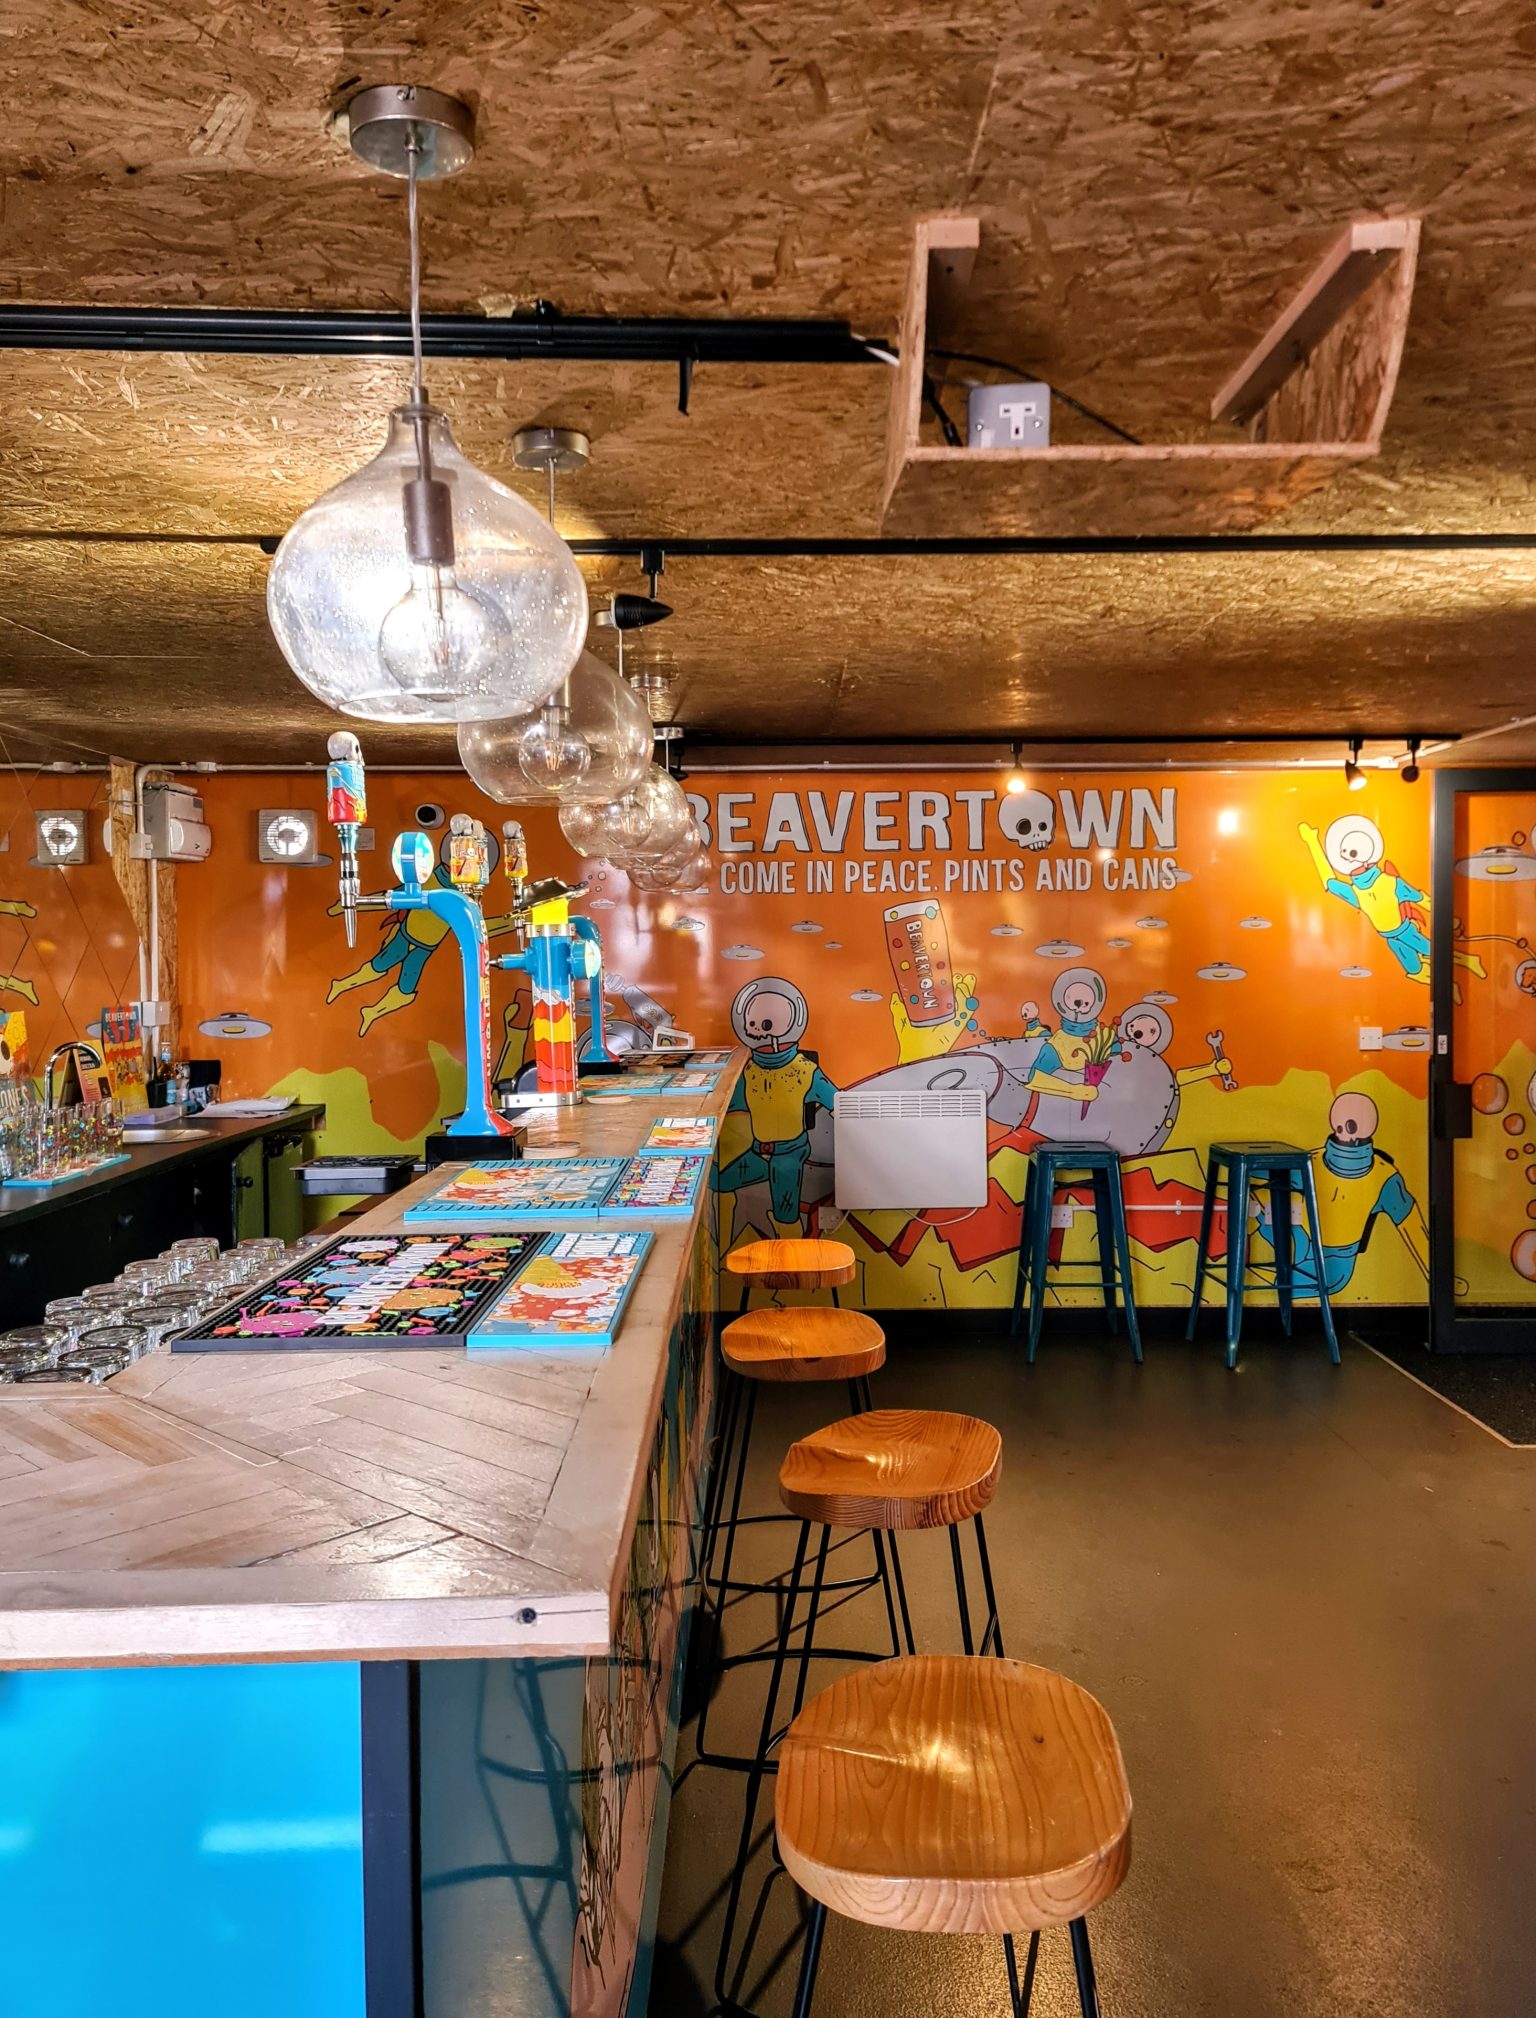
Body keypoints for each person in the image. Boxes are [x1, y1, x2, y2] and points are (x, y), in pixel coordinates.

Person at [716, 978, 836, 1237]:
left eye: (767, 1025)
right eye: (753, 1024)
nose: (759, 1031)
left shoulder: (806, 1072)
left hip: (789, 1156)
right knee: (718, 1181)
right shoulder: (749, 1071)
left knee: (786, 1216)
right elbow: (724, 1103)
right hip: (758, 1154)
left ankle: (792, 1259)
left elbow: (839, 1104)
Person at [1300, 815, 1430, 983]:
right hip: (1390, 937)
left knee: (1433, 953)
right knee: (1416, 970)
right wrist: (1312, 842)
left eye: (1352, 853)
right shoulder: (1356, 892)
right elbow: (1329, 881)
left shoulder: (1390, 882)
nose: (1347, 857)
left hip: (1406, 932)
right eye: (1343, 852)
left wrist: (1447, 918)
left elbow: (1422, 899)